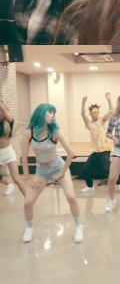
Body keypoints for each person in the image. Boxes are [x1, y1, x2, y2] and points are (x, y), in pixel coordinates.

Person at [20, 104, 83, 243]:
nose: (53, 115)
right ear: (41, 113)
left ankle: (79, 226)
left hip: (57, 166)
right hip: (41, 170)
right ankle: (29, 228)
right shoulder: (28, 132)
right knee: (28, 202)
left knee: (71, 196)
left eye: (54, 113)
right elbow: (24, 157)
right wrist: (27, 177)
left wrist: (63, 171)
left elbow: (71, 153)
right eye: (50, 112)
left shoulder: (54, 132)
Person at [78, 93, 120, 194]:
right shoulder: (89, 124)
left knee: (107, 169)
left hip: (104, 150)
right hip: (95, 151)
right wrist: (83, 103)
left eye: (97, 112)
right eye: (93, 112)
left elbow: (111, 111)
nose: (96, 114)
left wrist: (109, 100)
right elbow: (83, 115)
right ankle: (90, 186)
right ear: (90, 114)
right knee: (85, 170)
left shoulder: (101, 120)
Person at [0, 100, 26, 197]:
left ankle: (28, 199)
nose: (0, 113)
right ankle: (9, 185)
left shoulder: (9, 121)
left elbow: (4, 111)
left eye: (1, 111)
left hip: (8, 152)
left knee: (16, 178)